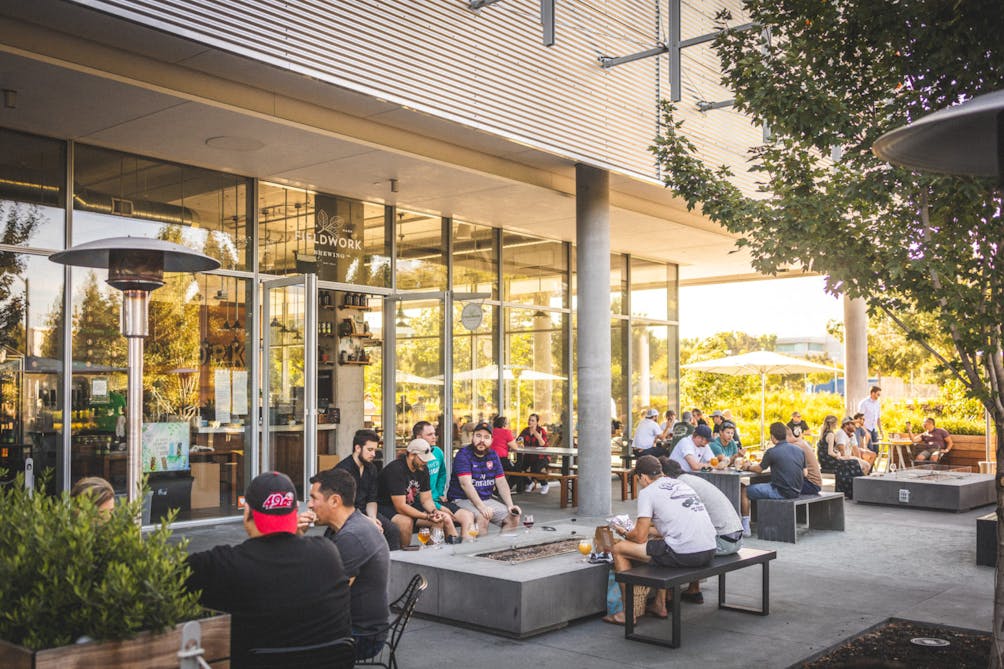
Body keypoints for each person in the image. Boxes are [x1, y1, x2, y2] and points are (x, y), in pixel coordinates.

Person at [186, 472, 351, 666]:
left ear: (247, 511)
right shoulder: (327, 553)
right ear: (295, 512)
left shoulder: (223, 564)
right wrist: (296, 537)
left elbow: (162, 581)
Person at [603, 455, 716, 624]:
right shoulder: (680, 484)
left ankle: (627, 614)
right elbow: (669, 527)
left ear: (643, 477)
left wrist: (625, 532)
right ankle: (659, 604)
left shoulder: (648, 492)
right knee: (658, 547)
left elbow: (640, 537)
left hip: (684, 553)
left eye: (638, 479)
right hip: (709, 550)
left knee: (618, 549)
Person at [300, 468, 390, 661]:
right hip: (353, 625)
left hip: (360, 636)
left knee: (275, 634)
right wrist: (297, 536)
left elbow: (328, 597)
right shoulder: (342, 528)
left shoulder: (352, 536)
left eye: (314, 498)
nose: (309, 505)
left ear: (334, 501)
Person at [661, 456, 744, 602]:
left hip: (723, 542)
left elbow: (678, 523)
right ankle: (694, 589)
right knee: (692, 537)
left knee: (674, 546)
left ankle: (666, 599)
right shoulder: (691, 479)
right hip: (734, 538)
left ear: (664, 476)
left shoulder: (678, 485)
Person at [377, 438, 460, 546]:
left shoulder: (422, 468)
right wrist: (425, 516)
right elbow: (400, 506)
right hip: (386, 506)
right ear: (411, 455)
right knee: (406, 522)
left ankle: (430, 555)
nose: (425, 462)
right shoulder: (396, 469)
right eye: (422, 459)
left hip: (409, 504)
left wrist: (434, 512)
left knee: (438, 519)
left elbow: (426, 500)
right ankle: (404, 557)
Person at [446, 421, 521, 536]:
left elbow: (501, 481)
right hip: (462, 500)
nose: (482, 440)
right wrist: (482, 507)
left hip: (485, 499)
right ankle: (481, 551)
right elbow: (466, 484)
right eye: (478, 436)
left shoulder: (493, 455)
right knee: (483, 516)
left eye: (486, 437)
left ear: (491, 440)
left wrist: (510, 505)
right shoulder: (463, 455)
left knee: (513, 517)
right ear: (473, 437)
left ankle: (502, 550)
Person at [334, 429, 401, 550]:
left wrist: (373, 518)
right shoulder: (342, 470)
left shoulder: (371, 468)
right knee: (367, 531)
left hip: (365, 511)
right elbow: (342, 505)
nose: (374, 454)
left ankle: (391, 566)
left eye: (375, 450)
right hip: (346, 514)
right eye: (370, 450)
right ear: (358, 448)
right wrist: (368, 521)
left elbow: (372, 499)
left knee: (392, 530)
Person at [739, 422, 806, 537]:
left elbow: (759, 469)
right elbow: (805, 473)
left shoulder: (772, 452)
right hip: (797, 491)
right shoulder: (799, 450)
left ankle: (745, 527)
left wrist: (748, 466)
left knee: (744, 491)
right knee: (764, 484)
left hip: (781, 492)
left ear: (773, 437)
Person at [817, 415, 866, 498]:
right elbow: (830, 452)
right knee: (854, 463)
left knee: (851, 463)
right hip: (829, 461)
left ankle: (849, 489)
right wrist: (837, 455)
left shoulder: (824, 434)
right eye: (836, 423)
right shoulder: (831, 434)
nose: (837, 425)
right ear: (833, 424)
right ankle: (854, 490)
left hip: (824, 460)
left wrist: (836, 453)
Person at [517, 413, 550, 494]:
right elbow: (518, 441)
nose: (530, 422)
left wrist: (538, 436)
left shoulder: (541, 431)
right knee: (518, 468)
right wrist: (519, 443)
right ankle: (529, 483)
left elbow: (543, 444)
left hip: (541, 457)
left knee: (535, 469)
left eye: (532, 420)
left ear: (536, 422)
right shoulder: (525, 430)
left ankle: (545, 484)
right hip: (529, 456)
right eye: (529, 420)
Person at [786, 426, 823, 495]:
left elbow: (800, 472)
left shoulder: (795, 447)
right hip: (814, 483)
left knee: (779, 486)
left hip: (811, 485)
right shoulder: (800, 442)